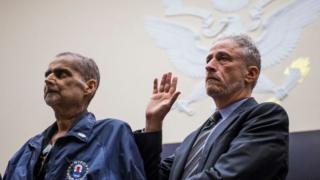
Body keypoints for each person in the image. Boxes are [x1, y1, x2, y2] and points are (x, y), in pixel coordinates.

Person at [134, 34, 289, 180]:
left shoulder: (267, 117)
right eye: (208, 60)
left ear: (250, 74)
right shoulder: (193, 138)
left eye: (223, 59)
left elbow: (226, 176)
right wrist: (153, 123)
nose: (209, 66)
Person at [4, 52, 145, 180]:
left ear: (89, 87)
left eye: (61, 74)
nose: (48, 80)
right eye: (47, 75)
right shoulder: (27, 149)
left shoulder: (112, 134)